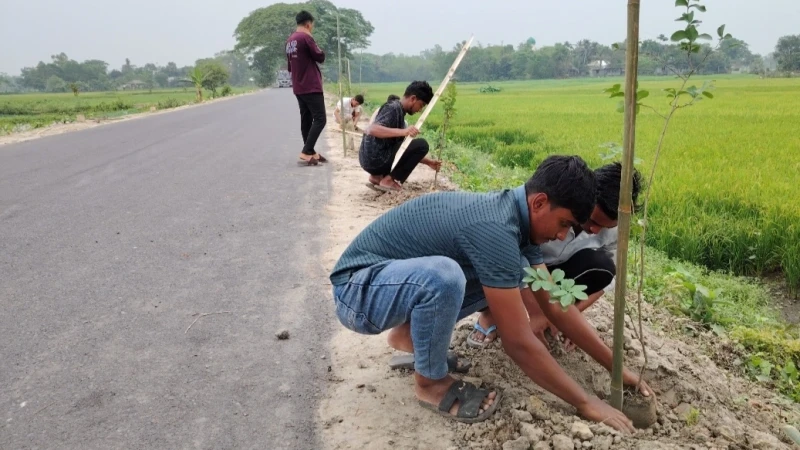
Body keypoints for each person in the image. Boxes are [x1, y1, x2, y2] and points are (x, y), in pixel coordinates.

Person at [330, 155, 640, 431]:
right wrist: (584, 401)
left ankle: (408, 338)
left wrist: (616, 369)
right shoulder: (495, 230)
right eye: (564, 224)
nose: (561, 236)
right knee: (446, 277)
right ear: (539, 202)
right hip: (357, 291)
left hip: (389, 284)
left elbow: (554, 303)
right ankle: (430, 382)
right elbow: (517, 341)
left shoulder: (517, 224)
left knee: (503, 273)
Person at [467, 162, 647, 360]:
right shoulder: (549, 209)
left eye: (605, 227)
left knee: (603, 266)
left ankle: (553, 316)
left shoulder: (613, 230)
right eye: (593, 221)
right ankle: (490, 313)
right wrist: (537, 313)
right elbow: (514, 255)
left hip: (554, 275)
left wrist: (568, 318)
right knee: (499, 262)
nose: (595, 230)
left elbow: (609, 278)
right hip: (515, 264)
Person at [360, 81, 440, 192]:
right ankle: (388, 180)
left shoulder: (399, 112)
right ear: (413, 99)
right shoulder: (393, 107)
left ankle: (377, 177)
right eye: (421, 105)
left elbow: (403, 150)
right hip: (376, 160)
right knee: (422, 145)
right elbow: (372, 130)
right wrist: (403, 132)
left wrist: (428, 162)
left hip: (371, 161)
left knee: (404, 144)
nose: (420, 110)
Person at [286, 10, 327, 166]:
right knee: (320, 119)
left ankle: (310, 152)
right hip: (311, 86)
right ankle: (306, 150)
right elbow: (320, 57)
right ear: (309, 24)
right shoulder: (306, 37)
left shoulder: (289, 41)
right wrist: (316, 44)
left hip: (298, 86)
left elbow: (290, 66)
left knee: (307, 119)